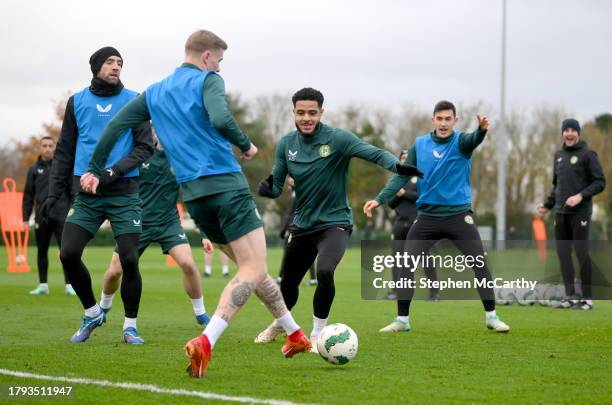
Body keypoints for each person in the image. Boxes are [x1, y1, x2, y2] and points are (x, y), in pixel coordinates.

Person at [84, 30, 310, 378]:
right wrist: (245, 144)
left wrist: (96, 169)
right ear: (206, 56)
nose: (219, 65)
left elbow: (115, 127)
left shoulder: (154, 92)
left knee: (254, 268)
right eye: (219, 59)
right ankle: (206, 341)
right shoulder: (209, 80)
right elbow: (221, 119)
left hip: (194, 196)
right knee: (252, 268)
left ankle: (294, 334)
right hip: (225, 185)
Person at [255, 87, 422, 351]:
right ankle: (280, 325)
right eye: (301, 113)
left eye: (312, 112)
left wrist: (397, 166)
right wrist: (267, 189)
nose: (306, 118)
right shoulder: (286, 144)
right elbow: (276, 185)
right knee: (288, 283)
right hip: (303, 224)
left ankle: (318, 333)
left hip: (335, 223)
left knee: (324, 271)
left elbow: (373, 152)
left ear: (321, 112)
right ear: (293, 113)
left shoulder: (338, 139)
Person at [364, 100, 510, 333]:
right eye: (439, 119)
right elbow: (402, 175)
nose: (443, 123)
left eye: (448, 119)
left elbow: (474, 140)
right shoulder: (420, 144)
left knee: (480, 263)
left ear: (455, 120)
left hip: (458, 216)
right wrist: (379, 199)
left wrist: (481, 130)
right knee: (406, 264)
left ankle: (492, 317)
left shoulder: (461, 142)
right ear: (433, 120)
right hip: (427, 218)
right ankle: (402, 320)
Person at [45, 46, 154, 343]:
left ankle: (130, 326)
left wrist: (112, 172)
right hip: (87, 194)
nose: (116, 66)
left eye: (120, 62)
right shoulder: (77, 101)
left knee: (129, 259)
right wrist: (54, 194)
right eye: (109, 62)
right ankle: (92, 312)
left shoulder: (135, 100)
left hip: (124, 191)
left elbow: (146, 147)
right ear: (95, 66)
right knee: (67, 253)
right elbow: (64, 151)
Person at [98, 131, 210, 344]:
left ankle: (201, 313)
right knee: (114, 271)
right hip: (136, 221)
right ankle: (103, 307)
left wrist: (204, 233)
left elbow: (193, 196)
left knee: (188, 263)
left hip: (168, 221)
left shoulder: (180, 158)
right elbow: (117, 180)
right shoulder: (139, 154)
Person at [537, 118, 605, 310]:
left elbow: (600, 182)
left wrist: (580, 196)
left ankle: (588, 299)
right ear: (562, 133)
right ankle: (570, 297)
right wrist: (547, 205)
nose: (569, 133)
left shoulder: (588, 155)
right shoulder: (558, 156)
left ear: (578, 133)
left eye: (572, 130)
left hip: (580, 213)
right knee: (563, 254)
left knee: (581, 253)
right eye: (566, 130)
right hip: (560, 213)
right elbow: (557, 186)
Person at [22, 136, 75, 296]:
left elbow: (73, 192)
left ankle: (69, 285)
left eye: (50, 146)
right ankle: (43, 285)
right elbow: (28, 195)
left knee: (66, 252)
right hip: (41, 217)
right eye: (44, 146)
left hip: (62, 215)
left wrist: (74, 212)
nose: (47, 148)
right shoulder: (33, 170)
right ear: (40, 148)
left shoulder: (63, 167)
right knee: (41, 250)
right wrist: (25, 218)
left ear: (54, 147)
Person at [386, 149, 439, 305]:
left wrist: (405, 194)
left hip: (418, 224)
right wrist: (397, 195)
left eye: (407, 158)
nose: (405, 160)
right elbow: (391, 203)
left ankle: (434, 292)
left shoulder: (421, 178)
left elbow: (424, 198)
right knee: (397, 260)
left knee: (425, 259)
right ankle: (396, 291)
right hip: (399, 224)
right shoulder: (396, 180)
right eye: (402, 158)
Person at [278, 177, 316, 286]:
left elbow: (290, 213)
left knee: (289, 252)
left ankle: (282, 277)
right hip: (299, 226)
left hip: (295, 227)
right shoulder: (296, 191)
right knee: (306, 252)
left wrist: (284, 229)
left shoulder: (297, 192)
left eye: (291, 177)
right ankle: (313, 279)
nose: (288, 179)